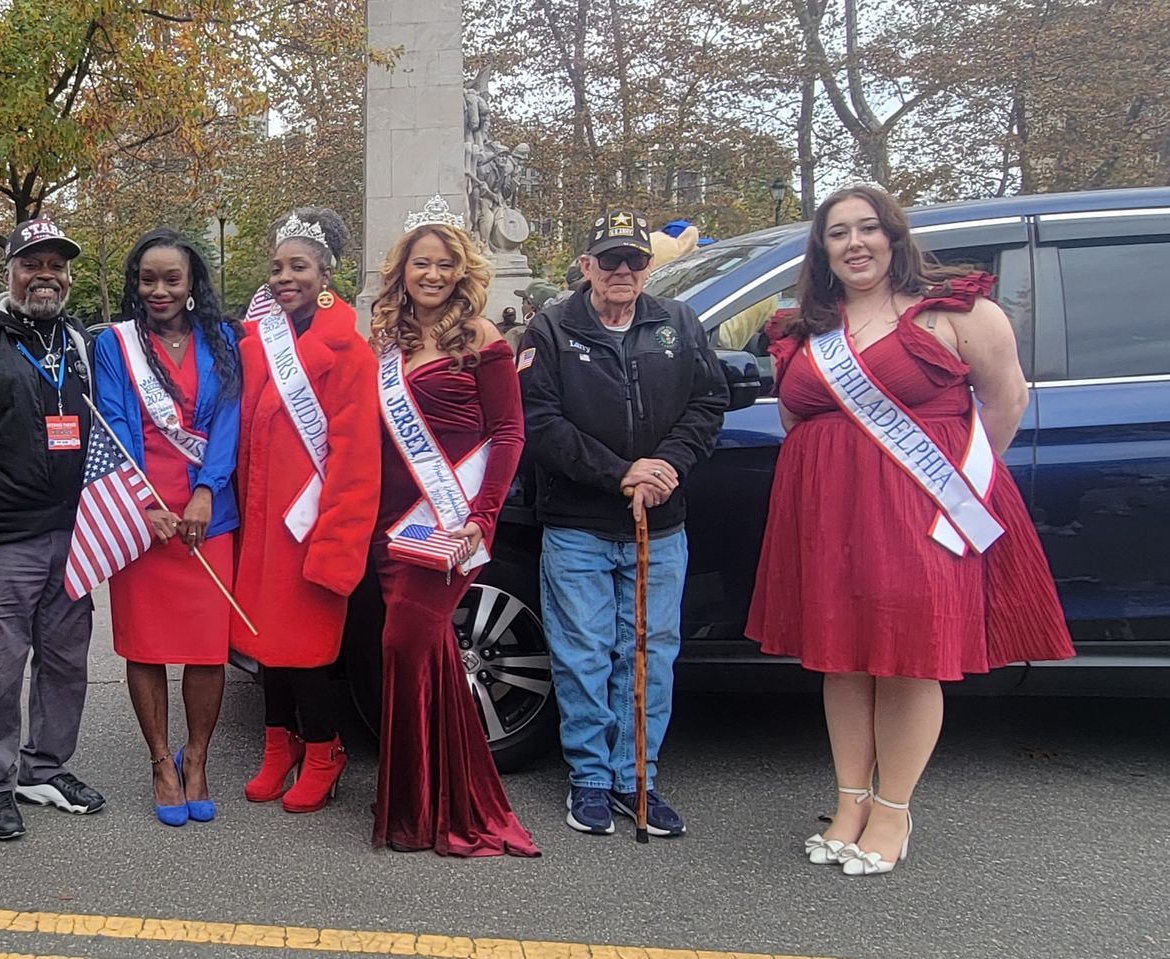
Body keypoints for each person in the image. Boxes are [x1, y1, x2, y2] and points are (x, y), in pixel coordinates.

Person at [747, 184, 1073, 876]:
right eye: (839, 233)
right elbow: (796, 420)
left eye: (868, 228)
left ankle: (893, 809)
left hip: (923, 508)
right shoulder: (807, 325)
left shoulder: (958, 311)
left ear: (894, 236)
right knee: (843, 656)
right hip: (829, 516)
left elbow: (1005, 401)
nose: (855, 243)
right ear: (822, 248)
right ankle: (850, 799)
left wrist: (955, 494)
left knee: (908, 656)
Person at [519, 207, 728, 838]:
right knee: (583, 654)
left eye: (634, 260)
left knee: (648, 655)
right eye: (608, 259)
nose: (622, 271)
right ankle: (588, 779)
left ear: (647, 267)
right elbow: (541, 423)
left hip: (659, 525)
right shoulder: (549, 329)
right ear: (586, 267)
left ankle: (638, 776)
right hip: (578, 523)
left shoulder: (680, 323)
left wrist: (666, 466)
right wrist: (619, 473)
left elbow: (708, 402)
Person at [365, 202, 537, 857]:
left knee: (404, 643)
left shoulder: (484, 339)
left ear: (462, 272)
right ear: (404, 271)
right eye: (421, 263)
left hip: (454, 519)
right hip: (395, 524)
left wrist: (481, 517)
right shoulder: (391, 344)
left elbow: (509, 432)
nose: (432, 274)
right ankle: (436, 797)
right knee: (428, 652)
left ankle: (431, 803)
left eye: (444, 264)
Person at [0, 218, 105, 841]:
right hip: (4, 541)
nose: (45, 276)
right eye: (32, 264)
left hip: (75, 537)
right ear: (10, 272)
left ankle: (45, 768)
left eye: (56, 265)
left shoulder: (79, 343)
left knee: (66, 663)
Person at [91, 229, 243, 826]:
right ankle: (160, 760)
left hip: (210, 513)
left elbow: (228, 423)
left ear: (190, 285)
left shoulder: (221, 338)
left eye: (171, 279)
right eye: (147, 279)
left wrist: (207, 490)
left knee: (207, 649)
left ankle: (197, 758)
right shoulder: (115, 345)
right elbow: (116, 422)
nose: (158, 290)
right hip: (143, 515)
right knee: (147, 647)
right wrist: (146, 504)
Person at [231, 207, 379, 814]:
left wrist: (337, 539)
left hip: (311, 523)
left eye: (299, 266)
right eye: (278, 267)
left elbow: (356, 457)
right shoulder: (262, 342)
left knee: (309, 650)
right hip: (263, 519)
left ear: (326, 274)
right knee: (267, 643)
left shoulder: (349, 351)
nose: (284, 277)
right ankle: (279, 744)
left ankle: (324, 748)